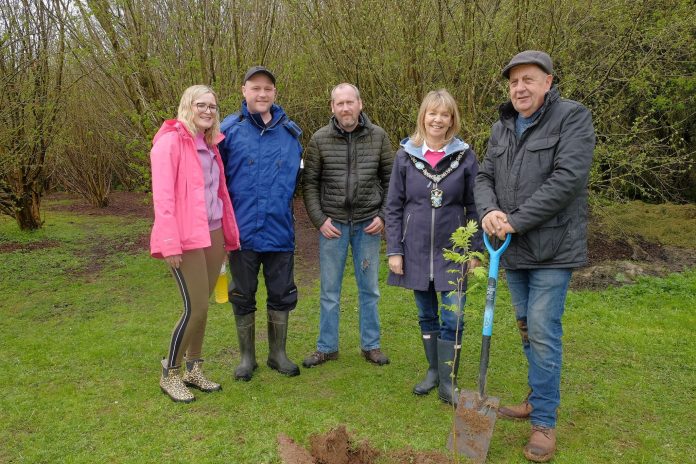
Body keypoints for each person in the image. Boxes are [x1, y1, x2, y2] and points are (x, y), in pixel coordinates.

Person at [475, 50, 595, 462]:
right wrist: (490, 211)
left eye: (528, 79)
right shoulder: (502, 127)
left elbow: (568, 180)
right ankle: (535, 397)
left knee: (543, 330)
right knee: (527, 328)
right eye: (513, 82)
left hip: (553, 247)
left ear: (548, 81)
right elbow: (484, 176)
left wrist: (516, 220)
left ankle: (544, 421)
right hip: (514, 249)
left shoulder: (572, 118)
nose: (520, 88)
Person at [385, 89, 482, 405]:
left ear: (452, 119)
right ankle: (432, 371)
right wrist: (395, 251)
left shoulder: (465, 157)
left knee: (453, 317)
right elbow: (394, 206)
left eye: (445, 114)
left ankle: (448, 379)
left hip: (454, 251)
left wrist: (475, 251)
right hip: (415, 250)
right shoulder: (405, 155)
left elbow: (475, 206)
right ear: (423, 117)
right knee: (426, 314)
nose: (438, 120)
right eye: (432, 113)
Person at [150, 84, 240, 403]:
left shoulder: (210, 144)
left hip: (212, 232)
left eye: (213, 107)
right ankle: (170, 373)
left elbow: (218, 193)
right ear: (187, 106)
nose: (207, 111)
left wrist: (226, 235)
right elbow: (163, 198)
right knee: (196, 306)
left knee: (204, 309)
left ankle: (193, 369)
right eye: (201, 105)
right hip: (184, 237)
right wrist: (169, 243)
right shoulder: (170, 143)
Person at [219, 66, 303, 381]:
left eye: (268, 88)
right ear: (244, 91)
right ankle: (246, 357)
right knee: (242, 293)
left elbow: (299, 179)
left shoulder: (292, 133)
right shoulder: (227, 131)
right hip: (241, 233)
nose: (262, 94)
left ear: (274, 94)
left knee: (282, 293)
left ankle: (277, 354)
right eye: (255, 88)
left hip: (280, 231)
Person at [302, 83, 393, 368]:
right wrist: (319, 220)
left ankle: (371, 345)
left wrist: (383, 216)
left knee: (370, 289)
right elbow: (309, 185)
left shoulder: (378, 137)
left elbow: (392, 181)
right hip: (334, 226)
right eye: (339, 103)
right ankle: (327, 347)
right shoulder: (319, 139)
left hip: (368, 224)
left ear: (360, 104)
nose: (345, 108)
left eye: (350, 102)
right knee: (329, 290)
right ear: (332, 107)